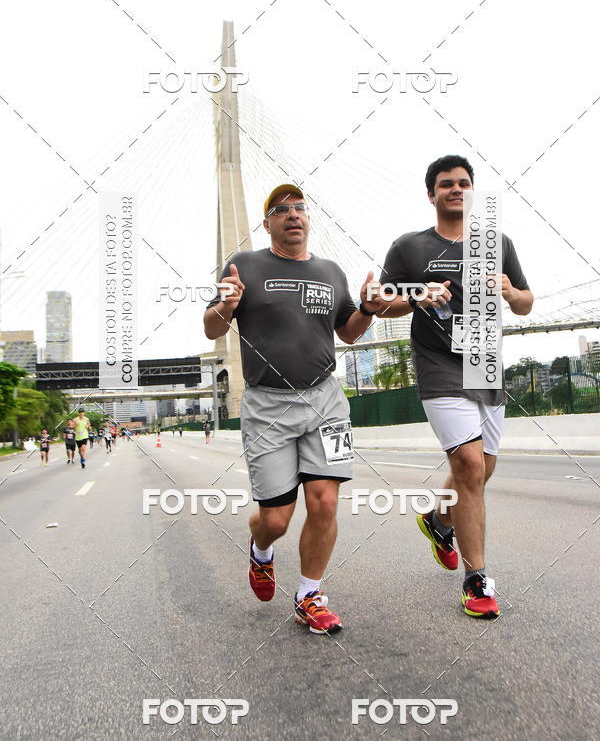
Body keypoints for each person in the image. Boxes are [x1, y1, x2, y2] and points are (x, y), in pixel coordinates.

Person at [204, 183, 377, 634]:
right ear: (268, 224)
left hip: (326, 401)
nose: (293, 214)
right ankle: (261, 549)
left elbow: (349, 332)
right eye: (282, 210)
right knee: (276, 519)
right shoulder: (244, 266)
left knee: (325, 501)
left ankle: (309, 596)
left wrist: (367, 308)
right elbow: (211, 329)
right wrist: (226, 305)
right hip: (267, 408)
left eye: (300, 207)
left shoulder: (330, 271)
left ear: (308, 218)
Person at [370, 155, 533, 619]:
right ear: (431, 194)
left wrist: (509, 291)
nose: (456, 189)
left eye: (464, 183)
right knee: (468, 464)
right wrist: (417, 295)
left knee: (482, 470)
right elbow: (380, 302)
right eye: (446, 184)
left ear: (473, 191)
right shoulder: (409, 247)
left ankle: (439, 520)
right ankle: (477, 580)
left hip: (485, 364)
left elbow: (525, 302)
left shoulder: (496, 243)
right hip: (438, 364)